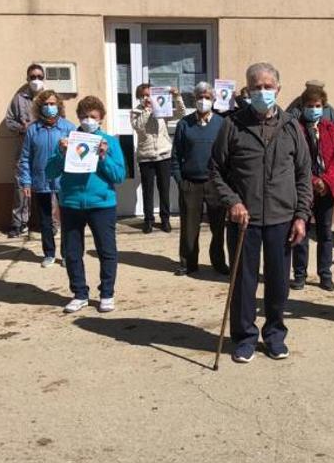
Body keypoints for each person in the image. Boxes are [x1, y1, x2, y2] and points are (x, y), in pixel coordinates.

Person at [210, 62, 312, 363]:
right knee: (243, 282)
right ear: (247, 90)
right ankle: (243, 338)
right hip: (245, 220)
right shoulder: (232, 125)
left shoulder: (291, 127)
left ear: (278, 89)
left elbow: (303, 175)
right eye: (257, 87)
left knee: (279, 283)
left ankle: (275, 334)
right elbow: (216, 170)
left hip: (282, 218)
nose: (262, 91)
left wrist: (301, 216)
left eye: (268, 86)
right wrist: (233, 202)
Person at [46, 96, 126, 314]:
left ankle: (107, 293)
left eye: (93, 117)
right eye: (84, 116)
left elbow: (119, 175)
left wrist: (103, 157)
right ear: (78, 117)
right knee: (72, 252)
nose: (88, 120)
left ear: (101, 119)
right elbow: (50, 172)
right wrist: (61, 154)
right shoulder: (68, 140)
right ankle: (80, 293)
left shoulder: (110, 142)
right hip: (71, 203)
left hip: (101, 204)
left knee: (106, 250)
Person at [170, 82, 229, 276]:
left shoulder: (222, 124)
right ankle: (188, 263)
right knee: (189, 226)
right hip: (190, 183)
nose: (203, 101)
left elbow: (228, 154)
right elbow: (176, 155)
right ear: (194, 99)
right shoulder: (184, 124)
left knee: (218, 226)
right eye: (200, 97)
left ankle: (219, 262)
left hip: (215, 183)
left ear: (213, 100)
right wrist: (180, 181)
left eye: (207, 97)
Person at [290, 86, 334, 292]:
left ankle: (325, 274)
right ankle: (300, 274)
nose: (314, 109)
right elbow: (294, 159)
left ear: (324, 107)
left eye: (317, 106)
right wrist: (313, 181)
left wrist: (326, 180)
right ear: (302, 107)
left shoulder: (330, 128)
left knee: (325, 233)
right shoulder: (295, 128)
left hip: (327, 189)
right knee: (300, 231)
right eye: (309, 106)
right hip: (303, 188)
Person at [18, 89, 76, 268]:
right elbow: (26, 157)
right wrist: (26, 181)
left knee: (67, 218)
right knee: (44, 220)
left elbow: (77, 156)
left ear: (58, 105)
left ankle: (67, 254)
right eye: (46, 104)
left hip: (64, 180)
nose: (49, 107)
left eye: (52, 104)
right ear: (39, 107)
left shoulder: (68, 127)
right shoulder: (33, 130)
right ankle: (49, 253)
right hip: (41, 179)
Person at [130, 83, 186, 233]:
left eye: (149, 95)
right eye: (143, 95)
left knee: (164, 189)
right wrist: (148, 110)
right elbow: (139, 127)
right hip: (146, 156)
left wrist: (176, 96)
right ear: (139, 97)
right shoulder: (135, 112)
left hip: (164, 154)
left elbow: (181, 113)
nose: (146, 98)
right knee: (147, 190)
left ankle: (165, 219)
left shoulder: (163, 108)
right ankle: (148, 220)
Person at [4, 63, 44, 238]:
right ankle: (19, 224)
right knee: (21, 187)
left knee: (47, 185)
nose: (36, 80)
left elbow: (60, 119)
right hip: (24, 148)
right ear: (27, 79)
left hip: (44, 148)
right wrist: (22, 127)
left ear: (44, 78)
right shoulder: (19, 98)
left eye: (39, 77)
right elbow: (9, 121)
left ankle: (49, 223)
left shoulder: (49, 98)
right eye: (33, 77)